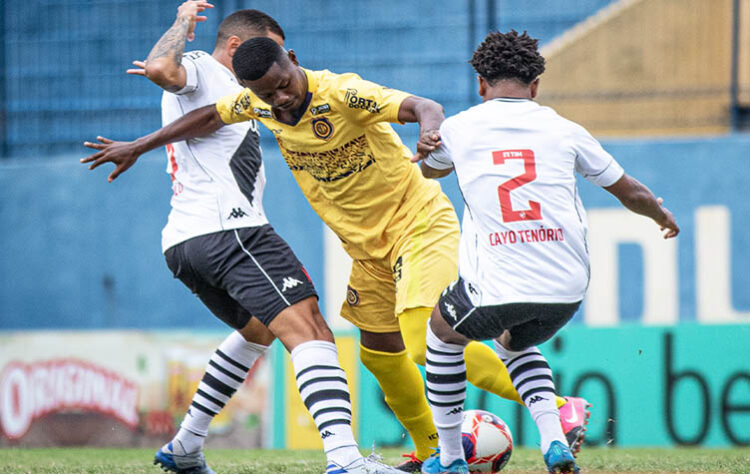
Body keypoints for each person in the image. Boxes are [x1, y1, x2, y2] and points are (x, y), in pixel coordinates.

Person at [82, 35, 590, 472]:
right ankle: (429, 451)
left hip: (417, 225)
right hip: (366, 252)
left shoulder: (342, 92)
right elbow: (207, 116)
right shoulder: (258, 103)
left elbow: (422, 105)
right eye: (267, 94)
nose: (280, 97)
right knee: (379, 354)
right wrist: (140, 145)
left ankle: (559, 408)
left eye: (285, 83)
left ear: (294, 59)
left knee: (421, 339)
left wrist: (429, 130)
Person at [84, 3, 401, 474]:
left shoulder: (240, 93)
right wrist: (181, 24)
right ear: (235, 46)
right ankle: (345, 460)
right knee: (311, 329)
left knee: (257, 331)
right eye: (263, 49)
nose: (272, 63)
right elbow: (161, 69)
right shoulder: (203, 68)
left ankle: (186, 445)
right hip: (231, 230)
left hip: (186, 241)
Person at [414, 30, 680, 474]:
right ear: (535, 85)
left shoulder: (458, 129)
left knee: (442, 332)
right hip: (567, 289)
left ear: (480, 83)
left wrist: (429, 148)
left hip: (497, 285)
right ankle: (555, 441)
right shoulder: (565, 129)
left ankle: (450, 459)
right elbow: (630, 190)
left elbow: (427, 170)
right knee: (513, 344)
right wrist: (660, 218)